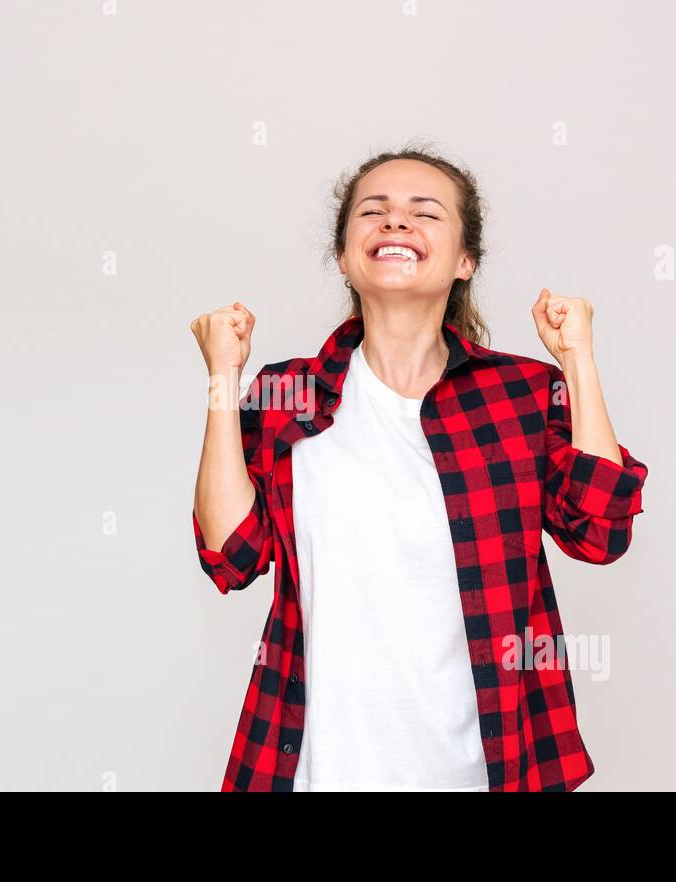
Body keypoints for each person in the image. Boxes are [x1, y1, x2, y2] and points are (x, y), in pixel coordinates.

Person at [189, 147, 649, 792]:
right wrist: (223, 377)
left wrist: (579, 361)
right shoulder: (284, 392)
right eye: (373, 212)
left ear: (465, 262)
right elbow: (229, 554)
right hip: (319, 768)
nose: (395, 223)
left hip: (484, 768)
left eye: (424, 213)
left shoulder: (520, 393)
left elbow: (601, 533)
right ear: (345, 256)